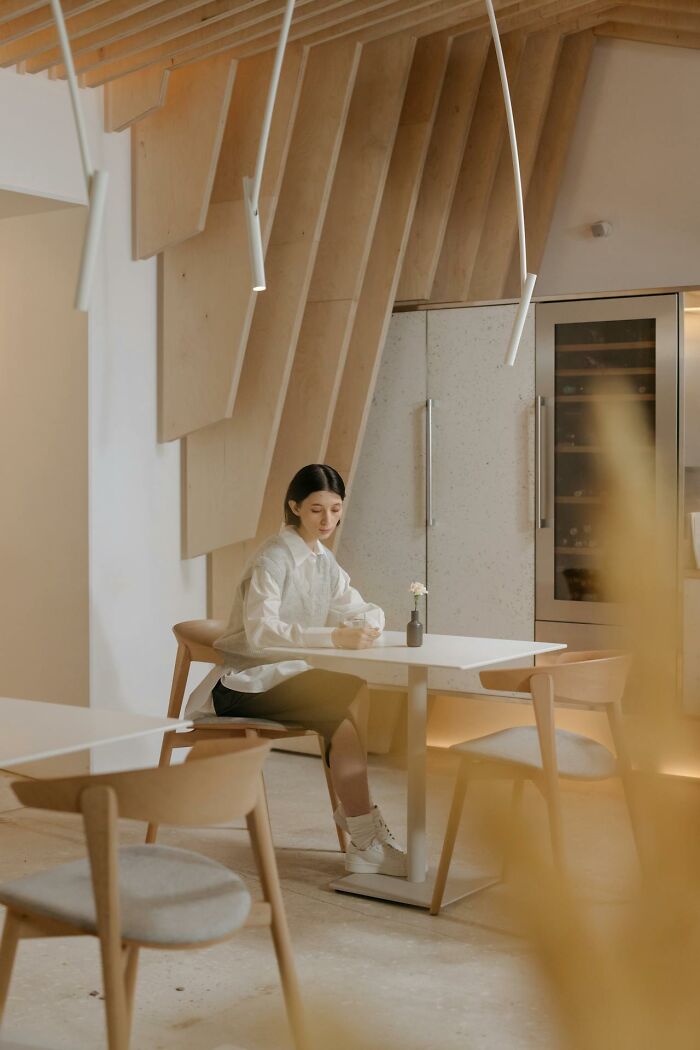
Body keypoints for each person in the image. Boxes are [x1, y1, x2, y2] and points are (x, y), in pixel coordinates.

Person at [185, 463, 405, 876]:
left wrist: (370, 621)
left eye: (335, 509)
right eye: (317, 509)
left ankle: (361, 828)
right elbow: (262, 632)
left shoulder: (323, 561)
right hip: (243, 682)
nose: (328, 521)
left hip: (285, 675)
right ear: (295, 507)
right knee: (341, 710)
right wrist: (333, 638)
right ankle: (363, 834)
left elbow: (357, 604)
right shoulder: (274, 558)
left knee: (356, 690)